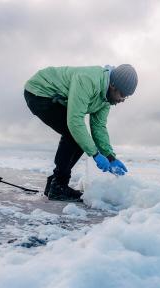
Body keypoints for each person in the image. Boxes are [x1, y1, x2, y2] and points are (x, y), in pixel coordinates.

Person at [24, 64, 138, 202]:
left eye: (127, 97)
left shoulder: (106, 99)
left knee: (79, 138)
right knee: (75, 135)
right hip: (40, 91)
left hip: (55, 97)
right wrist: (95, 154)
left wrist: (110, 156)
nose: (122, 100)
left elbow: (98, 127)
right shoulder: (88, 80)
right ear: (113, 85)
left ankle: (55, 184)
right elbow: (75, 121)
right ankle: (58, 187)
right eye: (123, 94)